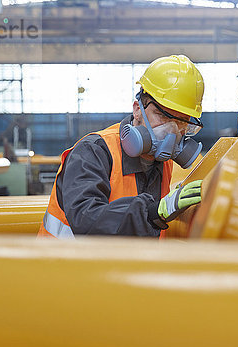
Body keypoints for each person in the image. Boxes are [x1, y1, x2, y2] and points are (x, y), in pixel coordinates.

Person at [38, 55, 205, 238]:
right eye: (163, 116)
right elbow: (86, 219)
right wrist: (152, 212)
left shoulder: (164, 163)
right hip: (64, 264)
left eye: (181, 122)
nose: (171, 131)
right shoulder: (93, 151)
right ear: (137, 109)